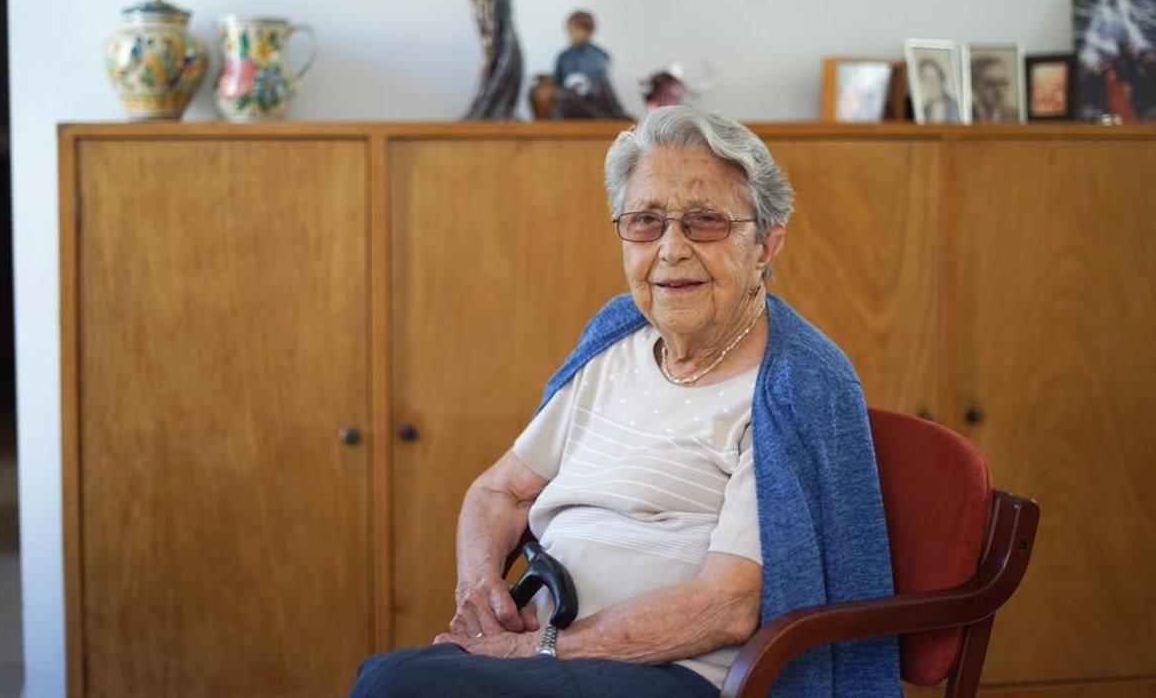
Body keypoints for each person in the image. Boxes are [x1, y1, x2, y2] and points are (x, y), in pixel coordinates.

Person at [350, 107, 899, 697]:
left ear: (766, 243)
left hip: (675, 674)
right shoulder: (616, 340)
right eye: (645, 222)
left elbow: (726, 607)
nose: (671, 249)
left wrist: (536, 649)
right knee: (394, 677)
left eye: (705, 222)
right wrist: (478, 586)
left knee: (402, 687)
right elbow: (500, 491)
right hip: (547, 649)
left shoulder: (796, 383)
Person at [969, 55, 1019, 122]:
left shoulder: (1015, 116)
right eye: (991, 84)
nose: (999, 90)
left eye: (1003, 83)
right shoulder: (966, 114)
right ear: (974, 85)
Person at [917, 58, 960, 122]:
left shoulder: (955, 107)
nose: (931, 84)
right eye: (927, 79)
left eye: (934, 77)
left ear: (941, 79)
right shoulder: (923, 110)